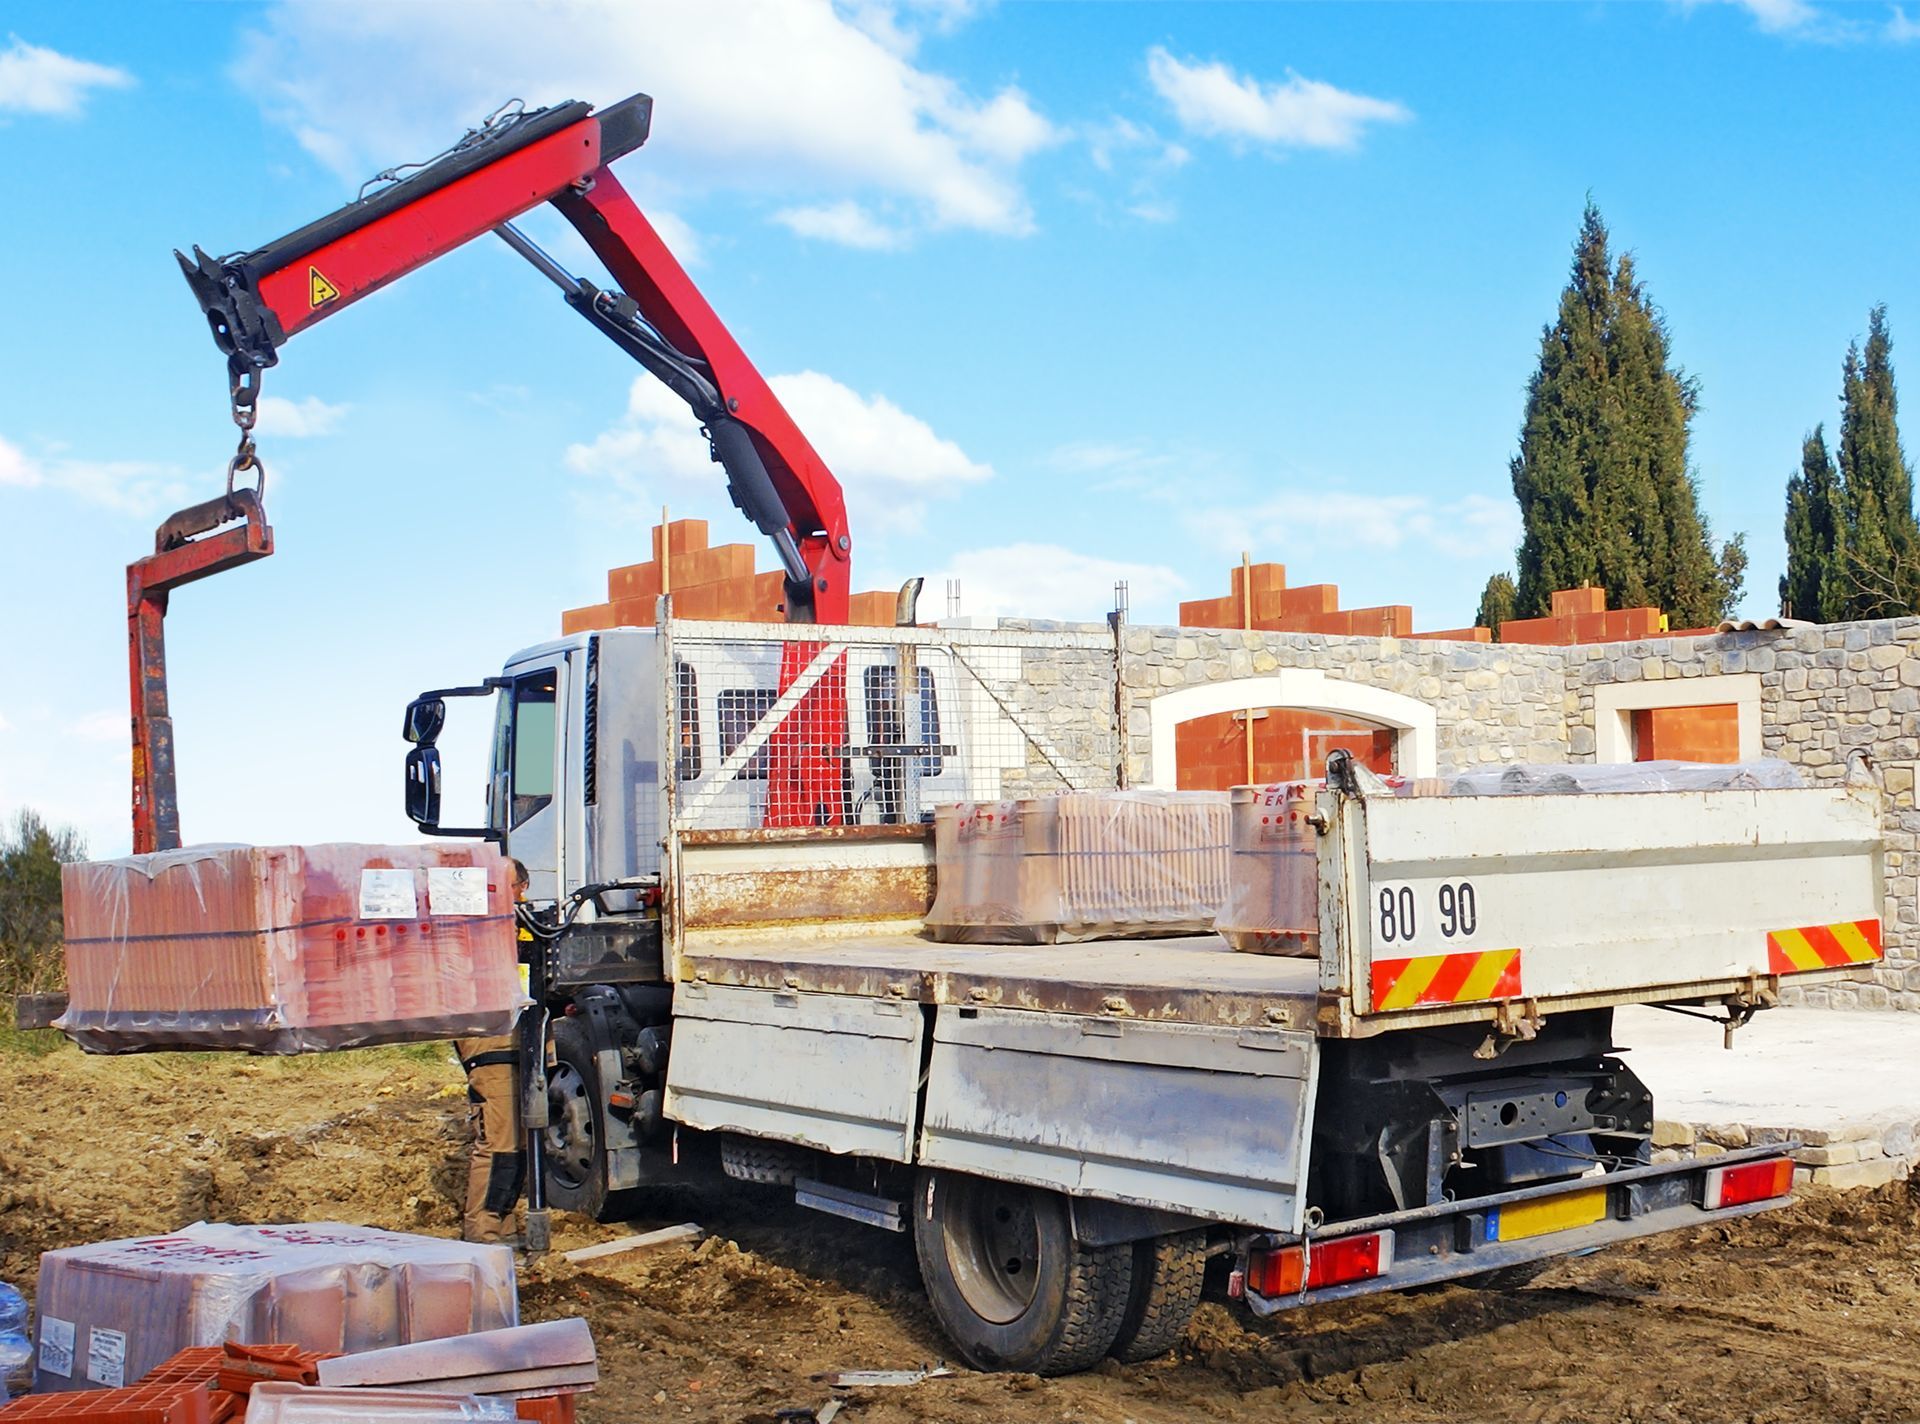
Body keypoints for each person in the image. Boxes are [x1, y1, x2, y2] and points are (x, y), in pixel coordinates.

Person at [455, 855, 530, 1244]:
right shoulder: (475, 932)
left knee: (519, 1142)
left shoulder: (515, 928)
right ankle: (483, 1233)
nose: (514, 896)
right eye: (507, 888)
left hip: (517, 1040)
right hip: (493, 1043)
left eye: (514, 888)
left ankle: (503, 1224)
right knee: (500, 1142)